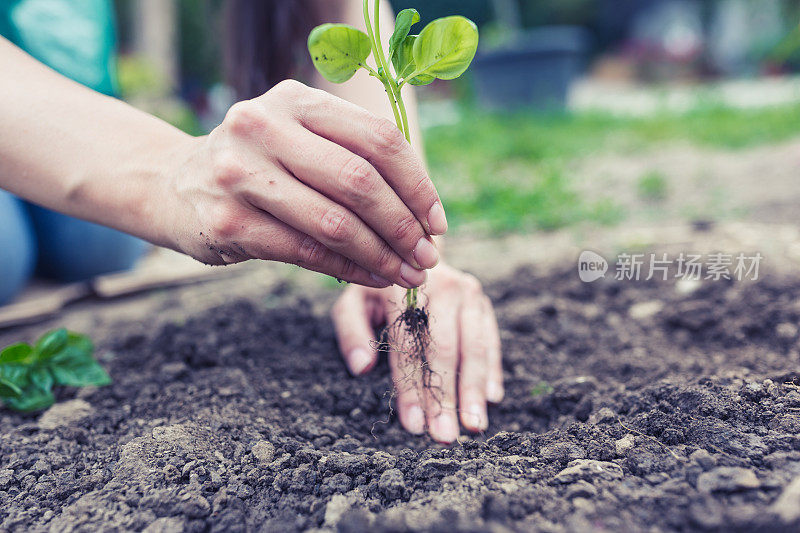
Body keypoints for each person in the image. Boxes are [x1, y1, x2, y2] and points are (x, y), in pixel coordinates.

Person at [0, 0, 503, 444]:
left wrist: (410, 251)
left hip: (70, 89)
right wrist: (170, 175)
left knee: (95, 245)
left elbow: (341, 11)